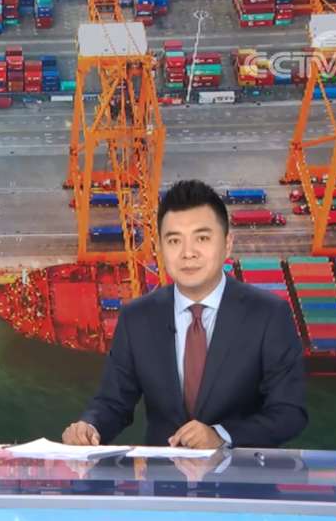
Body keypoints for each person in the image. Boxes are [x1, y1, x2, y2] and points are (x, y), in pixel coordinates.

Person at [62, 180, 307, 449]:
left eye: (202, 238)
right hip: (162, 473)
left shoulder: (268, 315)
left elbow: (289, 413)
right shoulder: (136, 318)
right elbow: (113, 402)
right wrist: (90, 426)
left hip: (240, 471)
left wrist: (221, 435)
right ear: (161, 248)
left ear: (227, 244)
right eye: (174, 241)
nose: (188, 253)